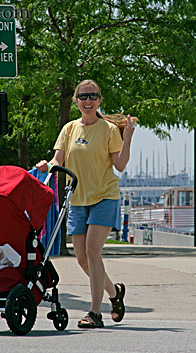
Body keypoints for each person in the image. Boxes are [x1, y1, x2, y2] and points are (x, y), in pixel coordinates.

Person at [36, 79, 136, 328]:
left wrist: (129, 136)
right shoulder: (69, 129)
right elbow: (56, 160)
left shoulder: (109, 130)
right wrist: (45, 166)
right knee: (82, 259)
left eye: (92, 96)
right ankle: (114, 293)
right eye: (83, 96)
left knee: (93, 251)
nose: (88, 100)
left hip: (104, 197)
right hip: (77, 199)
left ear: (99, 100)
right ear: (76, 101)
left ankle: (95, 312)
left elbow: (120, 165)